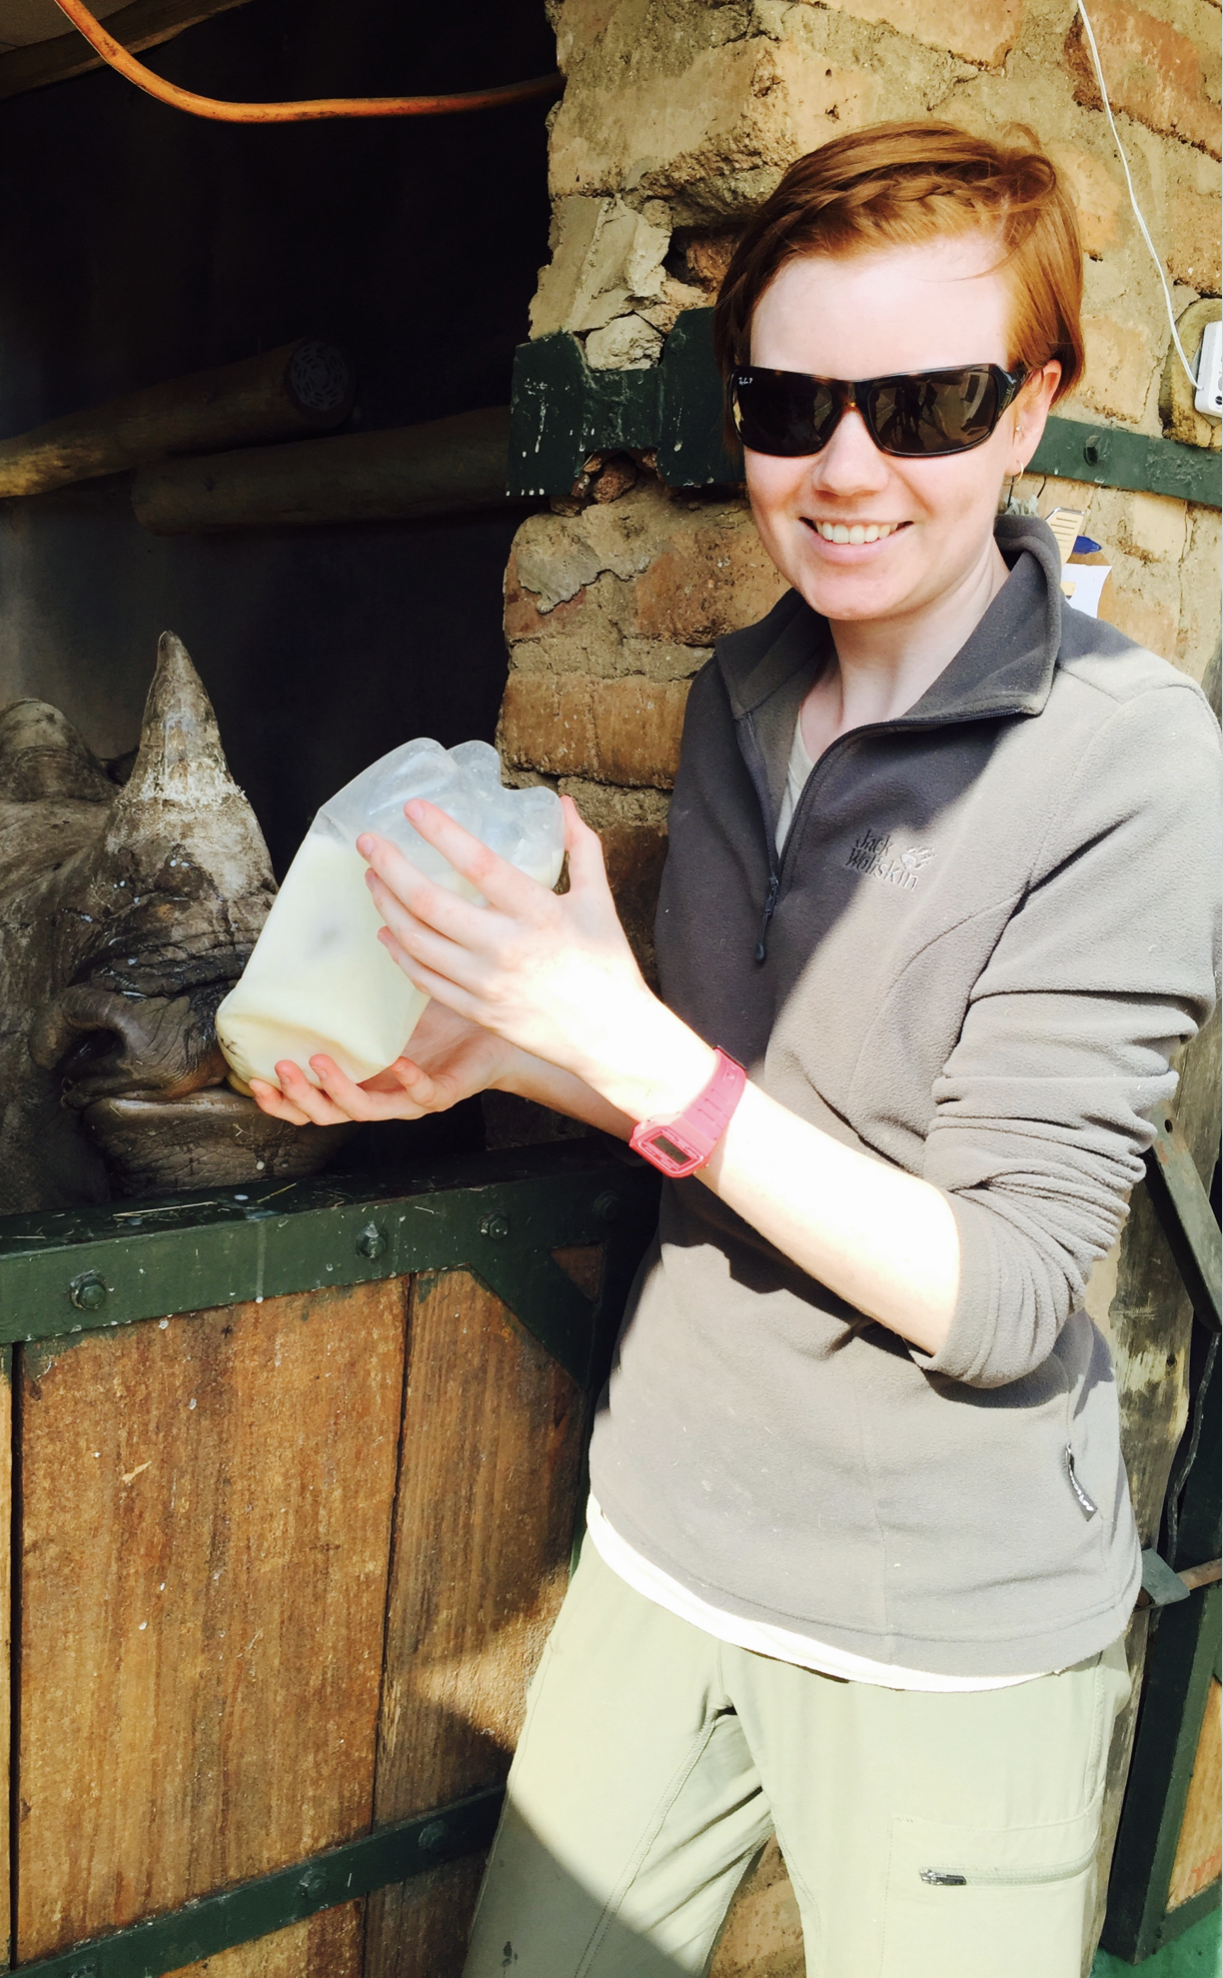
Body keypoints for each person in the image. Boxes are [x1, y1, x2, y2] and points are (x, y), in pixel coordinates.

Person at [249, 121, 1221, 1978]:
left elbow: (1007, 1292)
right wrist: (489, 1060)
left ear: (1033, 409)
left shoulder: (1133, 761)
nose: (846, 470)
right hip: (668, 1536)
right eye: (790, 404)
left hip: (944, 1614)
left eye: (927, 402)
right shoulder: (745, 693)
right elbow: (728, 1099)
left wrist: (604, 1032)